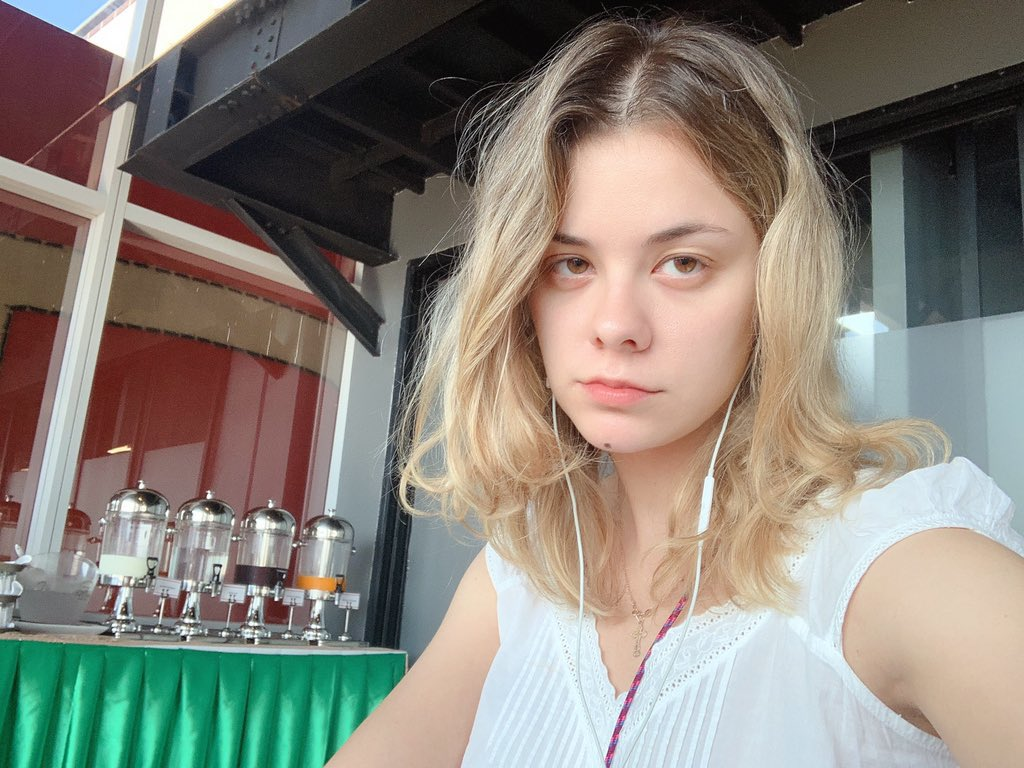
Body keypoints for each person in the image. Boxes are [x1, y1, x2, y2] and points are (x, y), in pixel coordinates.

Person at [327, 14, 1024, 768]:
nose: (615, 325)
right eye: (571, 264)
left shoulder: (892, 567)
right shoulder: (519, 581)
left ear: (775, 287)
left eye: (683, 263)